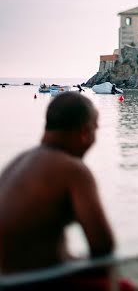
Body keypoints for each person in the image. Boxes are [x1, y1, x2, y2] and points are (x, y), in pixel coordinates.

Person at [0, 92, 118, 284]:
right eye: (95, 129)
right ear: (84, 132)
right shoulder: (72, 170)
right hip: (34, 284)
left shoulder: (17, 163)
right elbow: (103, 249)